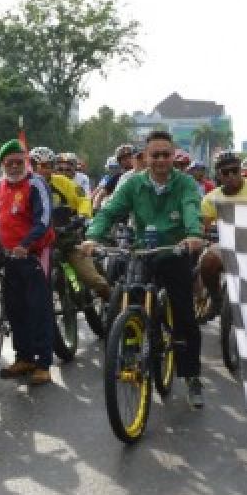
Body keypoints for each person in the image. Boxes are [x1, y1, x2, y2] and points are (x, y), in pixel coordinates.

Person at [81, 130, 206, 407]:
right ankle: (128, 348)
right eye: (155, 155)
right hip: (142, 253)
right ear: (145, 158)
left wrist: (193, 234)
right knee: (126, 297)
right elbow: (109, 211)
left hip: (174, 251)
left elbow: (191, 209)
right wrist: (93, 236)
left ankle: (192, 376)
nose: (161, 160)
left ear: (173, 156)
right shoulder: (133, 184)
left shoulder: (185, 184)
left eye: (166, 154)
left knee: (185, 316)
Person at [0, 140, 56, 385]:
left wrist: (25, 245)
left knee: (39, 309)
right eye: (9, 163)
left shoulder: (36, 184)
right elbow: (4, 221)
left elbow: (43, 220)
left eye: (19, 162)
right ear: (3, 164)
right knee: (15, 309)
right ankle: (24, 357)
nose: (15, 167)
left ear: (26, 162)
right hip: (10, 258)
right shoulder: (2, 186)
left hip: (34, 255)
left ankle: (44, 363)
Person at [30, 146, 108, 302]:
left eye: (47, 166)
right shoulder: (23, 186)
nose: (41, 170)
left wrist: (81, 216)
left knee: (93, 279)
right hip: (35, 246)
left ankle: (114, 308)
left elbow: (83, 199)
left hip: (66, 239)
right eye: (36, 165)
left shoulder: (63, 182)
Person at [198, 150, 247, 318]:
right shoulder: (210, 199)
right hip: (227, 246)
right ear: (218, 174)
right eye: (226, 172)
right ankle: (216, 299)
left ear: (241, 170)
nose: (231, 175)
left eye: (235, 170)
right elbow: (201, 228)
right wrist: (200, 236)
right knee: (207, 261)